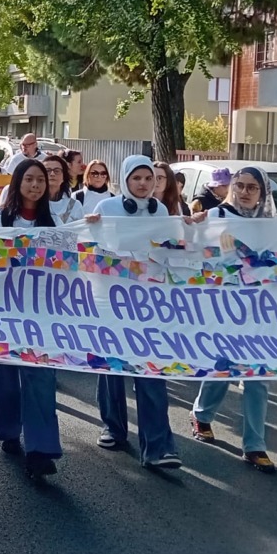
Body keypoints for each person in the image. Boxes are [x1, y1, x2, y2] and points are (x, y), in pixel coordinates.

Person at [93, 156, 187, 469]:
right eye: (137, 178)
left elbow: (169, 249)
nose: (144, 184)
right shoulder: (106, 210)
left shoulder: (160, 211)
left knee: (151, 369)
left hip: (148, 303)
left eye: (149, 178)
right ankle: (114, 427)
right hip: (112, 299)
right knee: (114, 369)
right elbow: (90, 249)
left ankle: (158, 447)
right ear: (125, 181)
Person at [188, 167, 277, 473]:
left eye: (252, 187)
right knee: (222, 367)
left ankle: (255, 445)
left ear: (263, 192)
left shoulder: (273, 227)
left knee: (257, 378)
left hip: (260, 312)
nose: (243, 192)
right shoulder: (216, 217)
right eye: (239, 185)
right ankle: (202, 414)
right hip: (225, 309)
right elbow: (195, 250)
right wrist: (192, 225)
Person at [0, 159, 63, 477]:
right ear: (17, 183)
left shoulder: (55, 222)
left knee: (41, 378)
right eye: (29, 179)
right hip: (4, 309)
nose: (35, 185)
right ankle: (7, 430)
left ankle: (41, 449)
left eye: (40, 180)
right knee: (6, 378)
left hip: (41, 311)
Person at [43, 154, 77, 223]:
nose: (52, 174)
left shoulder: (74, 205)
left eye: (57, 171)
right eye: (48, 171)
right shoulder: (32, 204)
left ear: (64, 176)